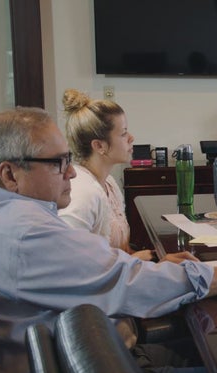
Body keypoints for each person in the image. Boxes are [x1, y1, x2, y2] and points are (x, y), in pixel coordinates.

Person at [0, 107, 217, 373]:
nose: (70, 171)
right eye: (58, 163)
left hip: (90, 358)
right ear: (10, 174)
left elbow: (99, 273)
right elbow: (128, 283)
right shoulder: (25, 234)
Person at [58, 89, 152, 260]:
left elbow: (120, 251)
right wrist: (137, 260)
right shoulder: (82, 193)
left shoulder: (109, 182)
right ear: (99, 146)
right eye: (123, 133)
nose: (131, 137)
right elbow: (70, 260)